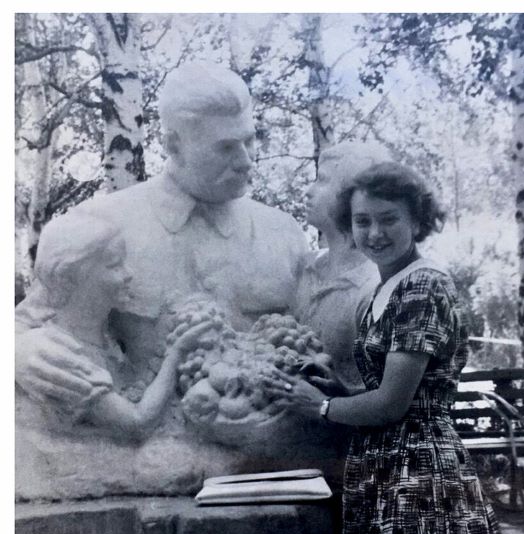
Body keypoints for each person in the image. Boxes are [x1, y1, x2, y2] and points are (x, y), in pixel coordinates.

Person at [262, 161, 524, 534]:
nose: (374, 233)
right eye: (362, 221)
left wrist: (321, 408)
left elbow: (392, 404)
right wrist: (339, 388)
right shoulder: (385, 288)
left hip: (420, 480)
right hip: (387, 473)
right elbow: (388, 390)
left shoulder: (422, 287)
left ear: (417, 220)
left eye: (388, 219)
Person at [16, 61, 308, 412]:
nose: (246, 161)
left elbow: (319, 345)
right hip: (140, 434)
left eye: (250, 140)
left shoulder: (282, 233)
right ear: (173, 145)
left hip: (269, 437)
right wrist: (21, 351)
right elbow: (26, 322)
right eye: (226, 147)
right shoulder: (101, 225)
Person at [18, 211, 214, 440]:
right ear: (73, 277)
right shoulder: (59, 355)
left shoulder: (107, 338)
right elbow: (137, 422)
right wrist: (177, 353)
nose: (129, 274)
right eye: (114, 265)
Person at [293, 142, 383, 392]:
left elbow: (390, 398)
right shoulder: (305, 266)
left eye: (322, 181)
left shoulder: (373, 289)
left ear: (353, 197)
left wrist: (340, 396)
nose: (309, 192)